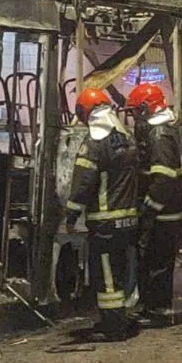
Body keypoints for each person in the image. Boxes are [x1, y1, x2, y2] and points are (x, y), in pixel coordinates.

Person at [64, 88, 141, 342]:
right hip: (128, 220)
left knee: (106, 276)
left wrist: (71, 215)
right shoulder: (127, 138)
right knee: (119, 272)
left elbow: (83, 183)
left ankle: (113, 327)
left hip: (105, 222)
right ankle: (119, 319)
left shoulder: (95, 144)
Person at [127, 83, 182, 328]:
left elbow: (162, 179)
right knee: (154, 262)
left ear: (145, 108)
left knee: (157, 264)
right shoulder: (158, 132)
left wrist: (148, 210)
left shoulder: (159, 135)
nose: (132, 116)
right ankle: (154, 308)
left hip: (164, 214)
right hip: (166, 213)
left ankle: (158, 311)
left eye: (134, 111)